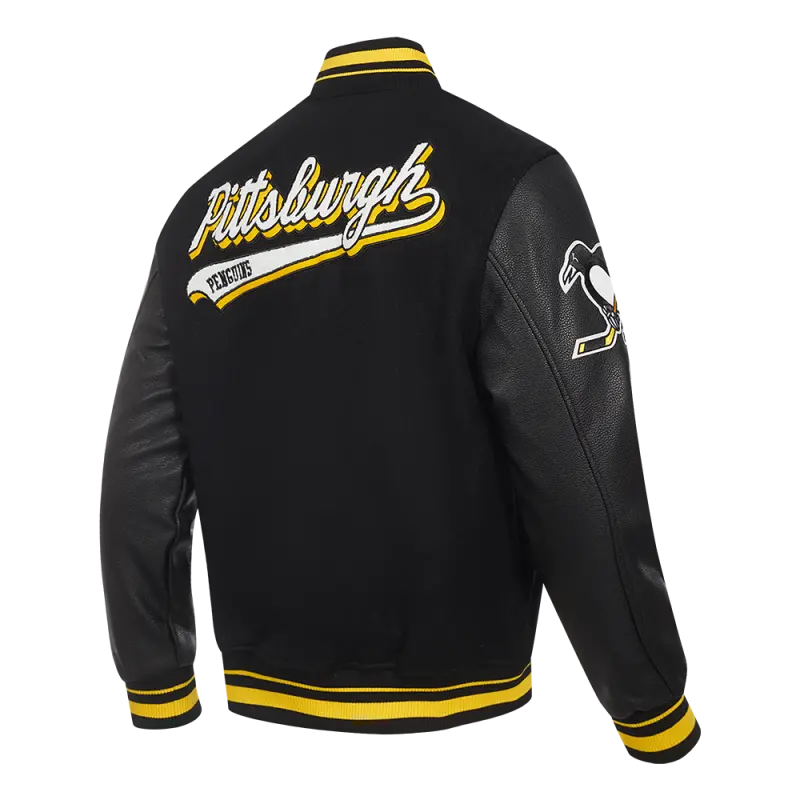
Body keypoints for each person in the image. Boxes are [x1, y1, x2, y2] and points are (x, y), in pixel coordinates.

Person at [99, 32, 700, 761]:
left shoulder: (200, 212)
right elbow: (582, 463)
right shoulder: (510, 177)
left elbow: (139, 476)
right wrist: (651, 703)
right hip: (466, 698)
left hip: (260, 695)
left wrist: (158, 682)